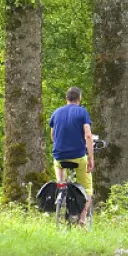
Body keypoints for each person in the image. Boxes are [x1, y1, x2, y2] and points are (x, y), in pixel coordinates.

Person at [49, 86, 94, 226]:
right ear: (79, 99)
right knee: (88, 188)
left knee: (58, 165)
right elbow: (88, 135)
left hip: (60, 156)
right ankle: (82, 217)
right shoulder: (82, 112)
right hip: (78, 156)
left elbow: (52, 136)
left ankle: (61, 186)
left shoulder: (56, 113)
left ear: (66, 98)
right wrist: (91, 158)